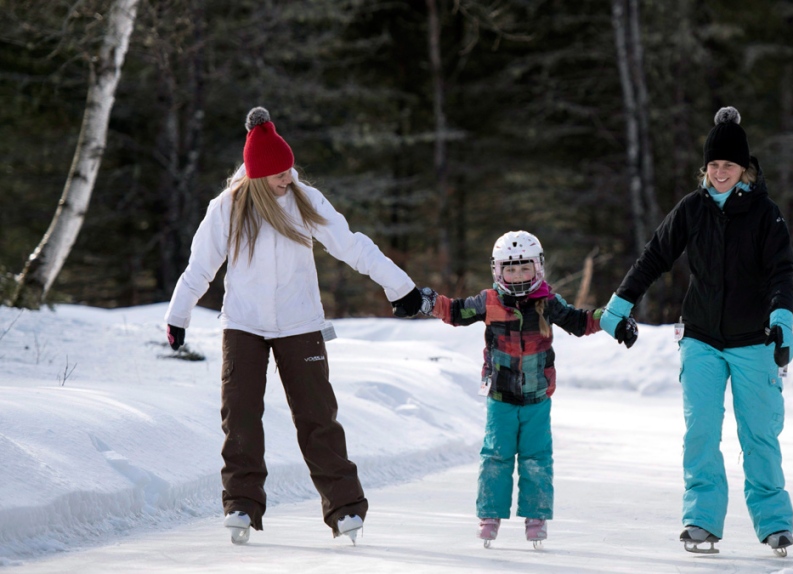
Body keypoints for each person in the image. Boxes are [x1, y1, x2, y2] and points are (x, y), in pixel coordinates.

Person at [164, 107, 426, 545]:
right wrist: (178, 316)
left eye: (289, 169)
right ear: (256, 177)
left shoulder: (306, 199)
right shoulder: (227, 207)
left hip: (300, 323)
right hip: (243, 324)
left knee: (318, 417)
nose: (288, 178)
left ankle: (345, 509)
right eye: (278, 174)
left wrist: (401, 287)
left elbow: (352, 246)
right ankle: (242, 505)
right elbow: (200, 266)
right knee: (241, 416)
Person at [599, 107, 793, 556]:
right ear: (705, 169)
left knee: (759, 434)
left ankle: (775, 523)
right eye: (714, 165)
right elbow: (654, 257)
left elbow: (782, 272)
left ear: (745, 169)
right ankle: (702, 520)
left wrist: (782, 318)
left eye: (729, 165)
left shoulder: (766, 214)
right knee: (701, 432)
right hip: (701, 338)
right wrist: (619, 305)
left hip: (754, 340)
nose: (721, 172)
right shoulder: (692, 209)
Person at [418, 230, 636, 548]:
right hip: (500, 397)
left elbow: (580, 321)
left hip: (537, 397)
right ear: (498, 271)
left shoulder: (547, 302)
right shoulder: (488, 301)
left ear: (538, 268)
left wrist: (612, 321)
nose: (518, 275)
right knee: (496, 456)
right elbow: (455, 310)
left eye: (524, 268)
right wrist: (429, 301)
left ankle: (536, 517)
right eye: (510, 268)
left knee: (537, 458)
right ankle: (490, 515)